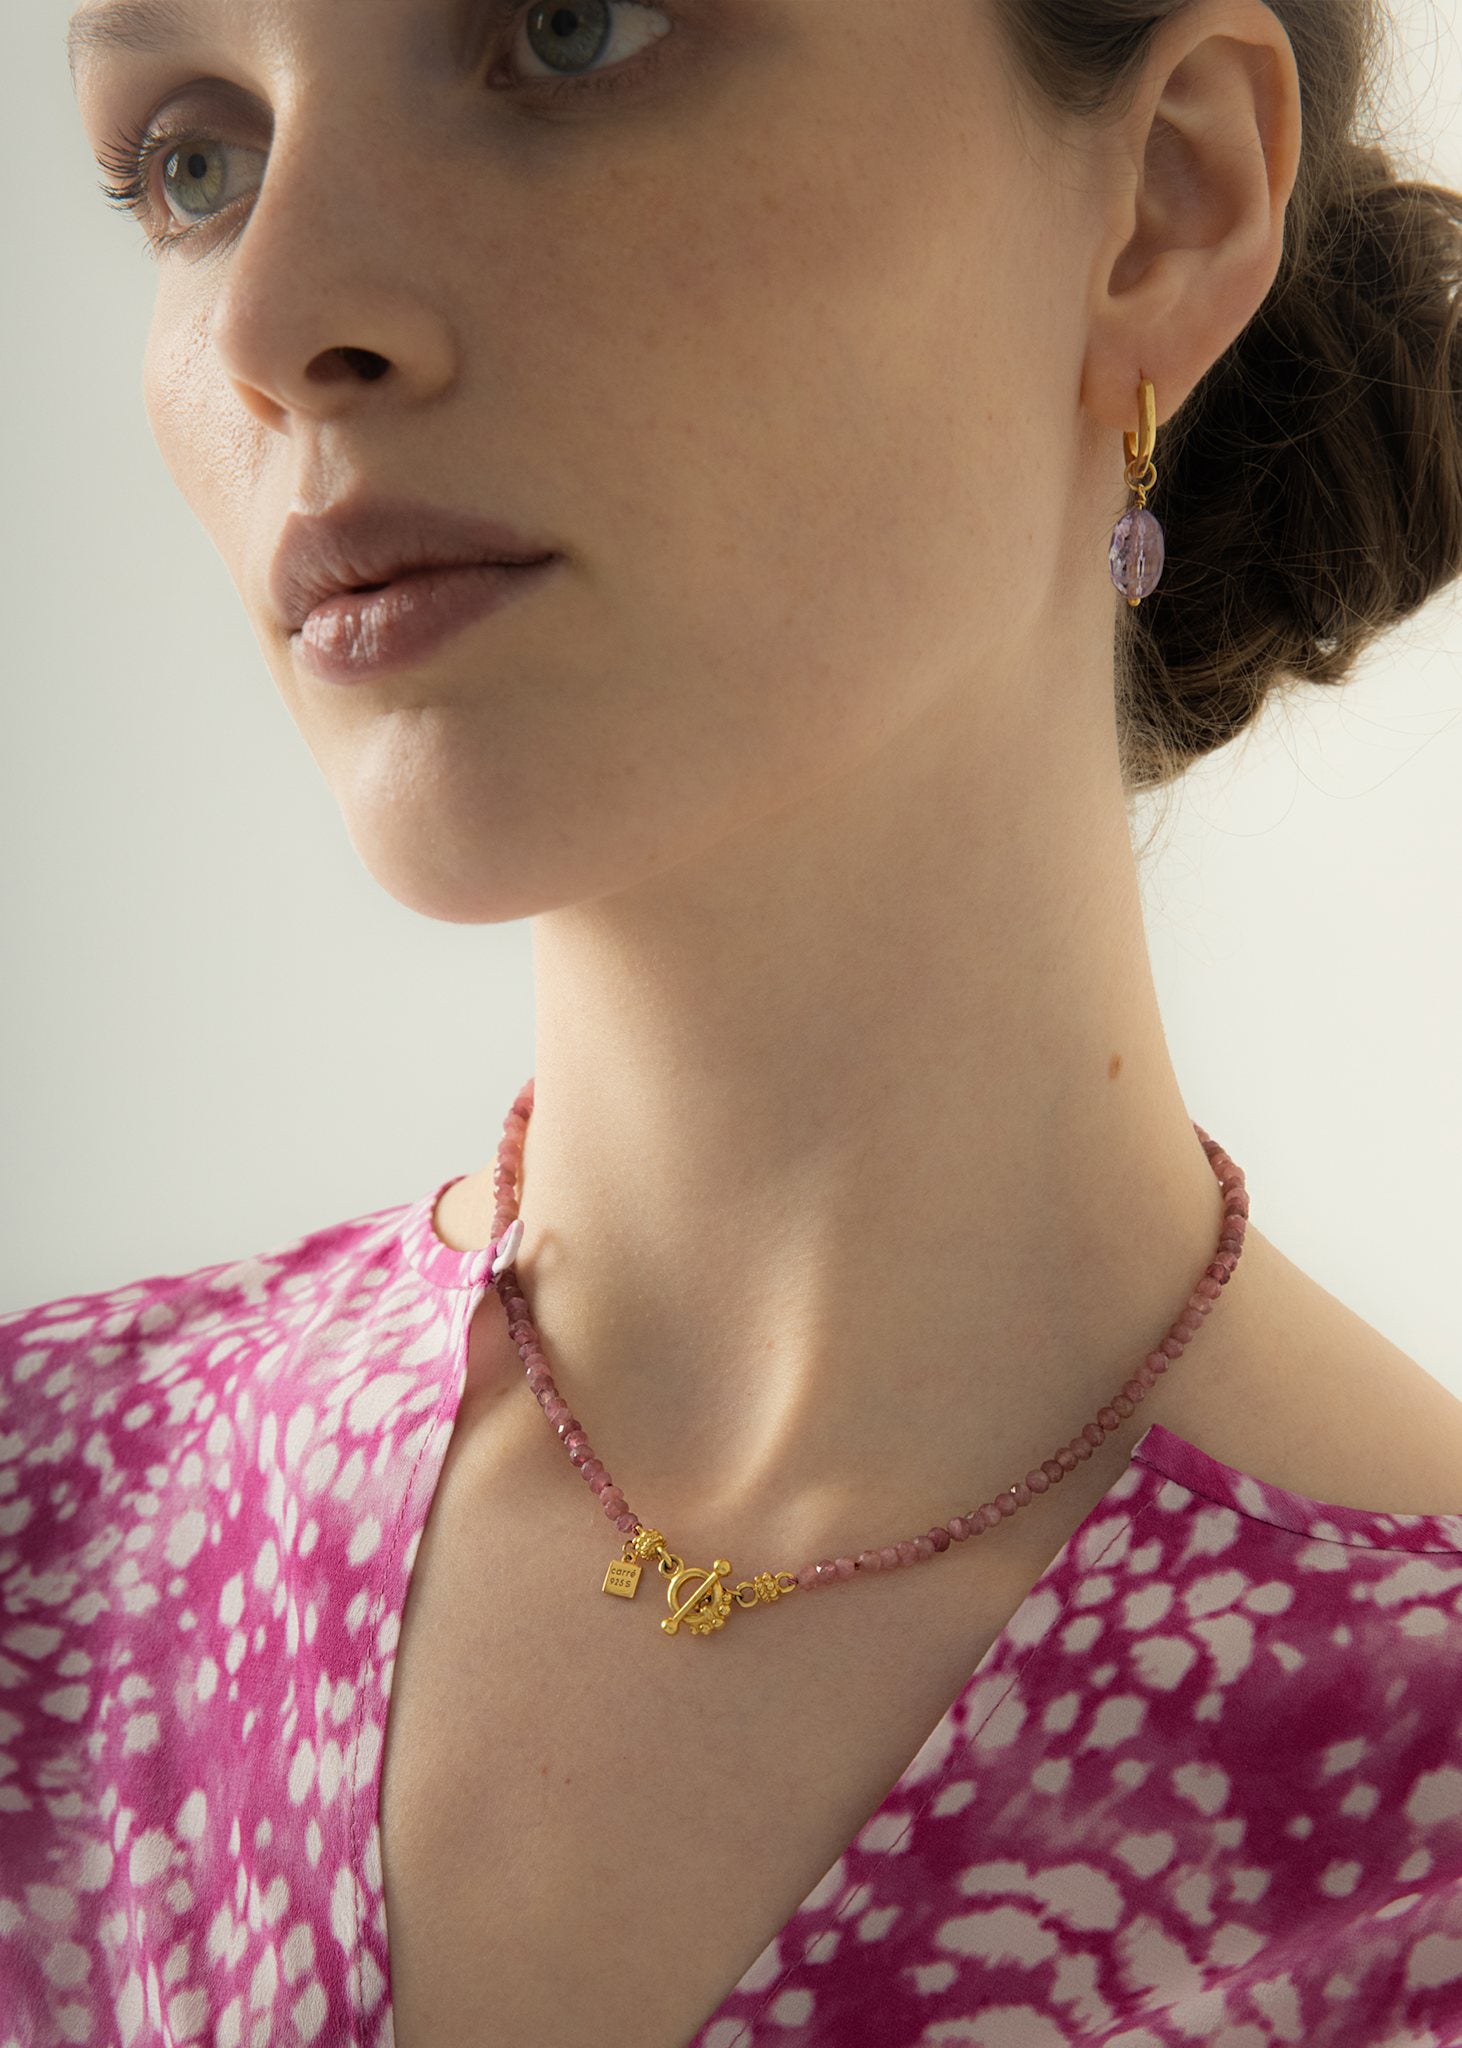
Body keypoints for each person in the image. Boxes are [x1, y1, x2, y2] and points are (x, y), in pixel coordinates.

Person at [5, 0, 1462, 2041]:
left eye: (568, 34)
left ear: (1160, 201)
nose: (272, 310)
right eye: (190, 156)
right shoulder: (41, 1528)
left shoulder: (1415, 1835)